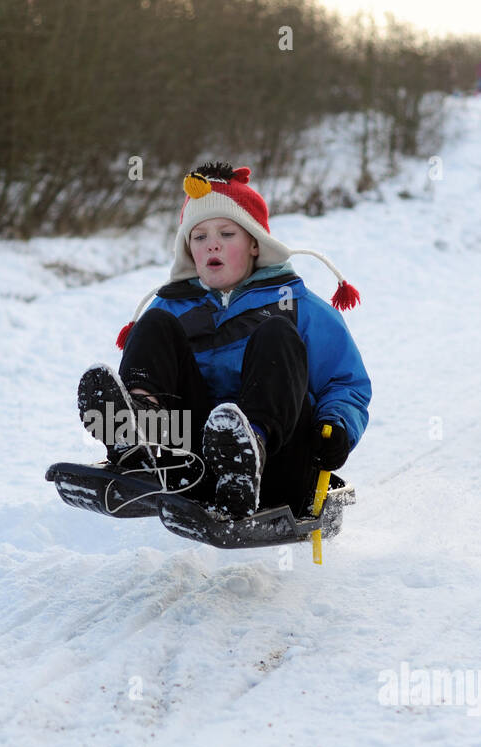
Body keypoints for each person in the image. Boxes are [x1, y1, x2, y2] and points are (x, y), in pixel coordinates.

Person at [78, 162, 371, 518]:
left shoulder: (296, 305)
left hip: (276, 468)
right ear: (189, 251)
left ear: (254, 244)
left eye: (227, 234)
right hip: (189, 461)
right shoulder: (171, 307)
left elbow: (346, 383)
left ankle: (246, 452)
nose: (212, 244)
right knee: (154, 323)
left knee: (275, 333)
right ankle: (137, 431)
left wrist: (336, 425)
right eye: (200, 237)